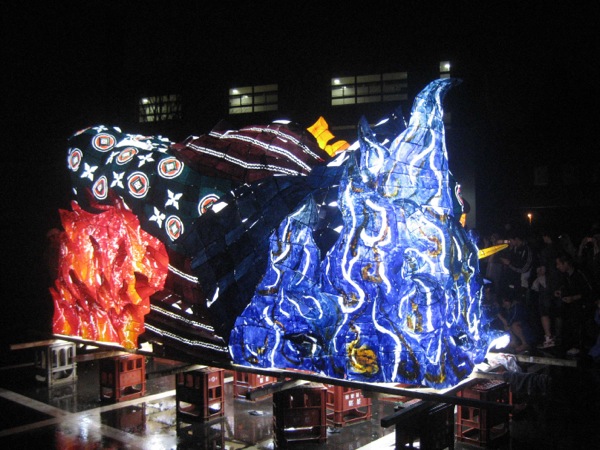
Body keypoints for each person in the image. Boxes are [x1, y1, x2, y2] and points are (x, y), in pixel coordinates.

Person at [555, 252, 595, 356]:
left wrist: (574, 298)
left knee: (580, 322)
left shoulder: (580, 272)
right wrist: (561, 292)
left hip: (584, 304)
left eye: (559, 264)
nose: (557, 266)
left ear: (566, 263)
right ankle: (570, 344)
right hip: (572, 304)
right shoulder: (566, 275)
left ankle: (581, 347)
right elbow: (567, 287)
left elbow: (589, 291)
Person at [497, 288, 535, 353]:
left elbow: (510, 322)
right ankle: (514, 342)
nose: (504, 304)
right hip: (519, 328)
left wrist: (499, 316)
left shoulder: (517, 307)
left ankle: (525, 343)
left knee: (513, 325)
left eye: (505, 302)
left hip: (526, 330)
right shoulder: (510, 308)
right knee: (507, 327)